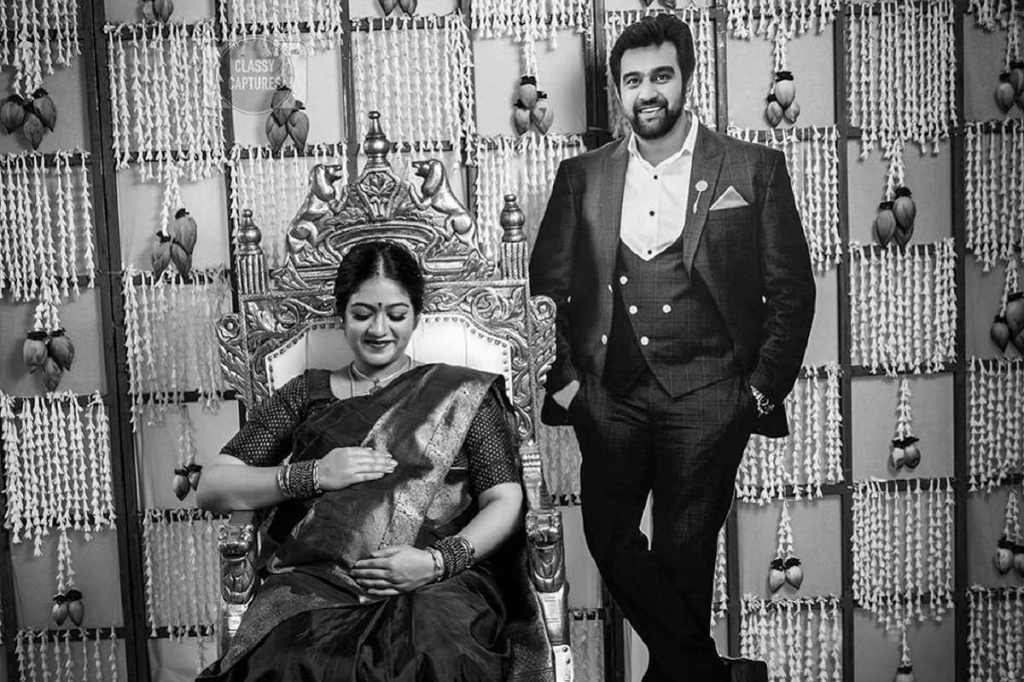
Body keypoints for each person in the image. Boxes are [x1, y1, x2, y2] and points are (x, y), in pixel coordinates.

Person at [528, 13, 815, 682]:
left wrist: (757, 394)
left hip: (712, 395)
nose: (647, 92)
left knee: (686, 557)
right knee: (608, 536)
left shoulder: (752, 168)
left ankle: (683, 675)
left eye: (661, 76)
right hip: (611, 395)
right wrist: (568, 386)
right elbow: (545, 293)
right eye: (632, 81)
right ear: (618, 90)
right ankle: (709, 674)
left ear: (687, 78)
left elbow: (792, 292)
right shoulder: (582, 176)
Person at [196, 241, 526, 681]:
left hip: (436, 580)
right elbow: (213, 487)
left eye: (396, 314)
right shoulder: (306, 394)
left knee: (439, 653)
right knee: (291, 660)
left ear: (417, 315)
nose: (379, 329)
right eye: (363, 313)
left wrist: (436, 562)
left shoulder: (461, 394)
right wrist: (314, 474)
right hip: (315, 582)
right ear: (341, 314)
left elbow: (504, 499)